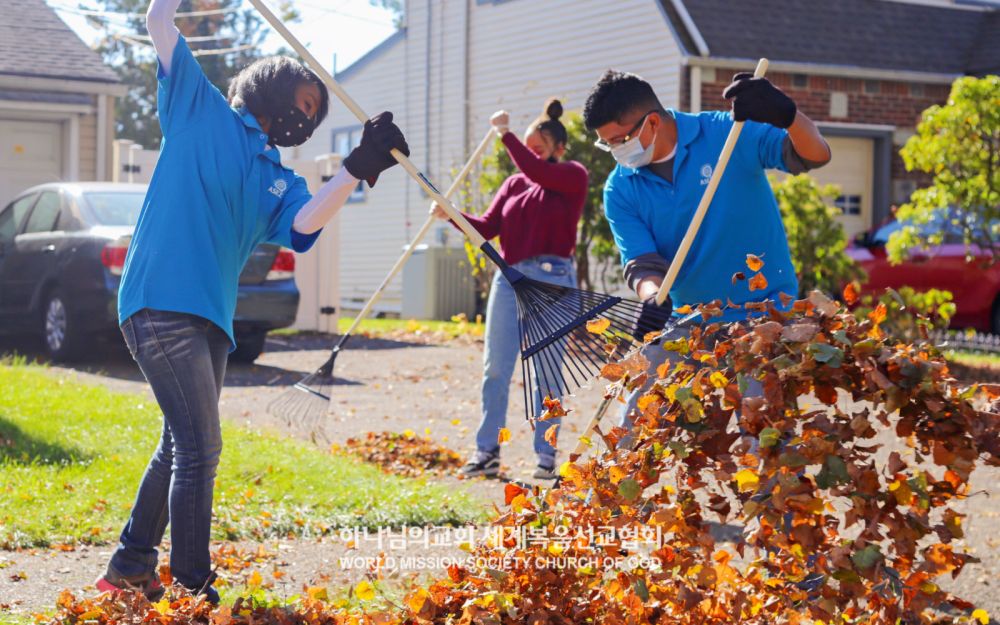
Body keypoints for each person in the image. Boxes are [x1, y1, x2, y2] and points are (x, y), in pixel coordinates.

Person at [95, 0, 409, 604]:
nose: (306, 120)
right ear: (273, 86)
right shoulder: (198, 105)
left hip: (212, 318)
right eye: (305, 103)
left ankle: (129, 567)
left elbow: (304, 225)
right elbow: (159, 21)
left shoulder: (276, 176)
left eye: (314, 116)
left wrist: (356, 167)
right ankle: (193, 588)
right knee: (200, 447)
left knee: (179, 444)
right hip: (158, 299)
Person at [581, 69, 831, 439]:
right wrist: (652, 297)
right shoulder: (621, 187)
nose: (617, 151)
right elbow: (641, 263)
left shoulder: (727, 134)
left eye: (620, 140)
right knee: (635, 426)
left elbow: (814, 155)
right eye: (608, 144)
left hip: (763, 315)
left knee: (765, 439)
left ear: (652, 122)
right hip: (689, 319)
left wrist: (788, 115)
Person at [432, 100, 588, 480]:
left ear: (559, 148)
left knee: (546, 374)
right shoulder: (514, 184)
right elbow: (487, 228)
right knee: (495, 370)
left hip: (553, 281)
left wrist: (506, 134)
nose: (529, 156)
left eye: (538, 149)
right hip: (509, 278)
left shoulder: (572, 176)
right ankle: (487, 452)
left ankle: (545, 458)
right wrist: (451, 214)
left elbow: (538, 171)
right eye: (526, 148)